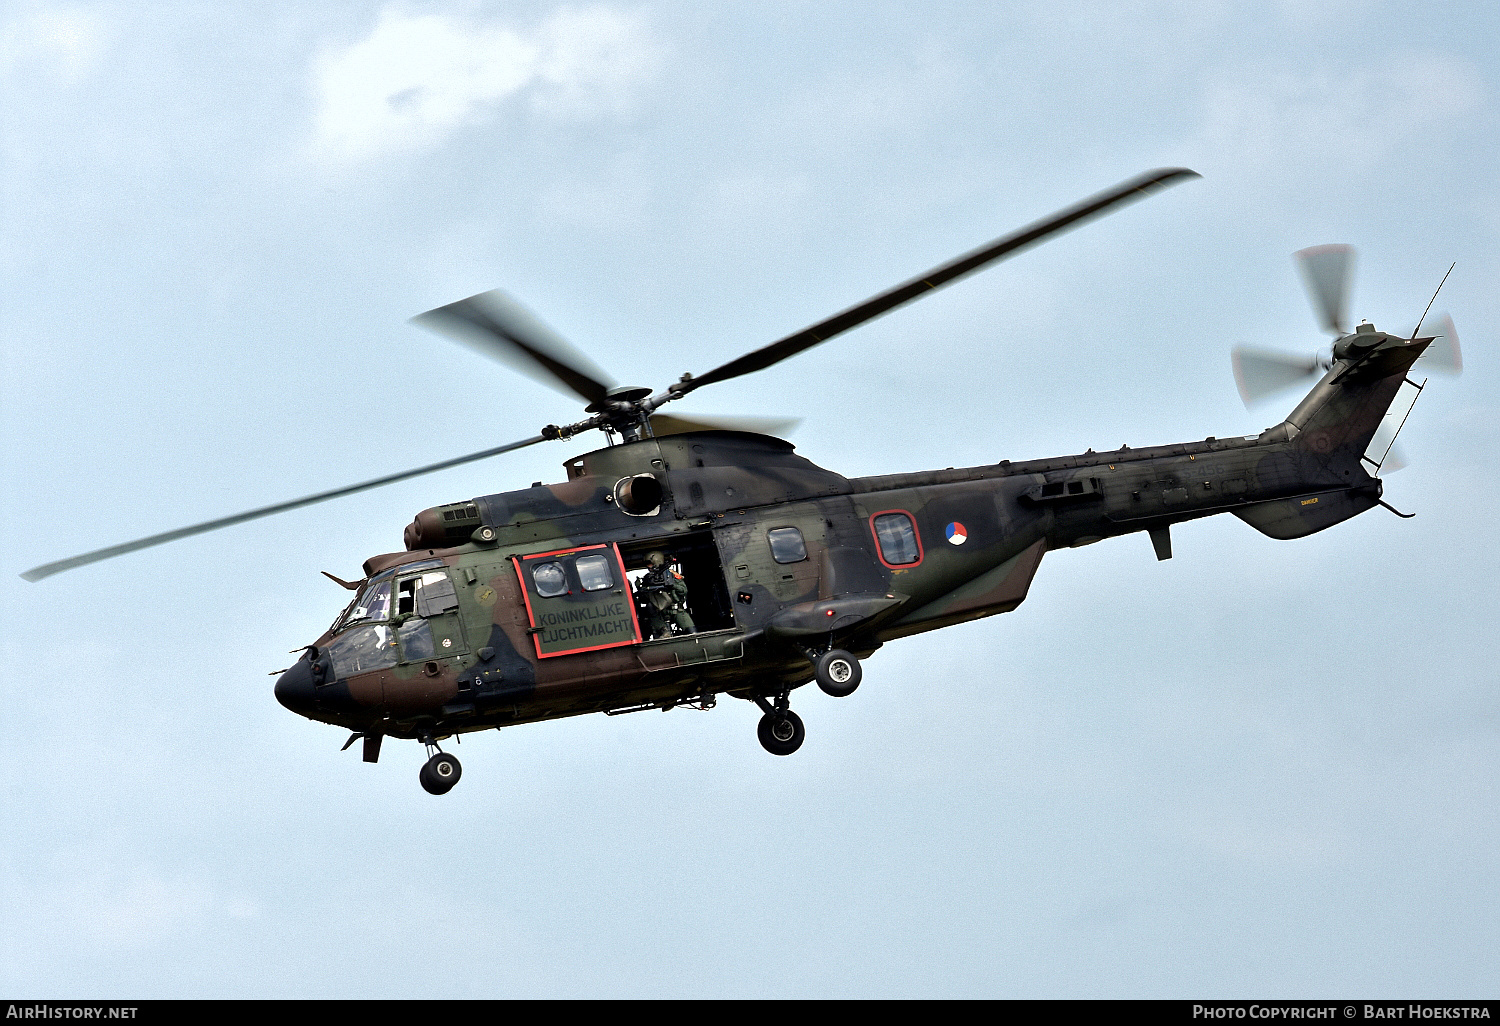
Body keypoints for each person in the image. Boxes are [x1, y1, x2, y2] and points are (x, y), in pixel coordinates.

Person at [637, 551, 695, 639]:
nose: (648, 567)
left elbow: (683, 591)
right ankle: (663, 630)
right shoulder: (647, 579)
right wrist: (643, 589)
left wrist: (672, 585)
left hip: (676, 609)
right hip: (658, 613)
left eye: (650, 564)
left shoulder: (671, 575)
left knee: (693, 633)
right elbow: (643, 599)